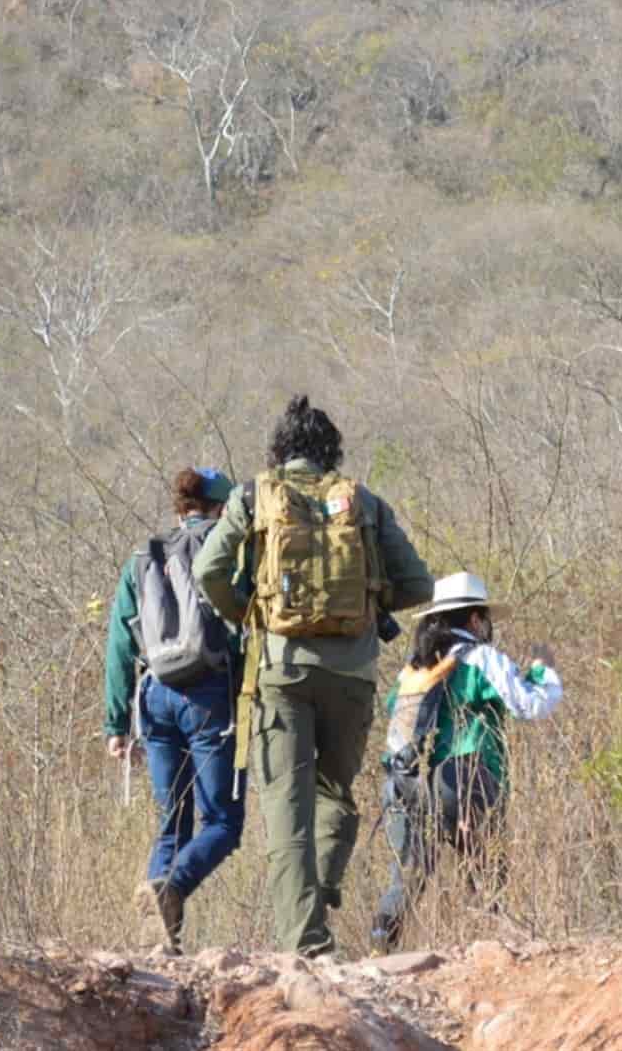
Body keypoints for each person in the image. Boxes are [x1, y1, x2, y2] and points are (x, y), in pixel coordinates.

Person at [195, 396, 433, 957]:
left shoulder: (253, 496)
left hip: (280, 672)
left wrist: (246, 612)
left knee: (286, 811)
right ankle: (321, 887)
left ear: (279, 450)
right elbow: (419, 585)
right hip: (351, 675)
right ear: (332, 452)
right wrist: (370, 603)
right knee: (334, 794)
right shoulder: (364, 502)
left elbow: (208, 570)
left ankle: (307, 944)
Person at [369, 571, 563, 951]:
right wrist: (544, 669)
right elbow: (533, 704)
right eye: (485, 618)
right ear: (475, 619)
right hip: (465, 779)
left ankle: (379, 945)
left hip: (403, 786)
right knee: (487, 871)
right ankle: (491, 953)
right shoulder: (481, 659)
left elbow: (396, 719)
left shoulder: (412, 671)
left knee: (407, 879)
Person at [103, 466, 244, 954]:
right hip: (208, 697)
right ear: (221, 510)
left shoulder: (144, 557)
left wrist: (115, 721)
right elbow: (243, 627)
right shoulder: (226, 551)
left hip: (154, 697)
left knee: (172, 819)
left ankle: (159, 946)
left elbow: (121, 641)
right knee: (223, 822)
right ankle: (173, 886)